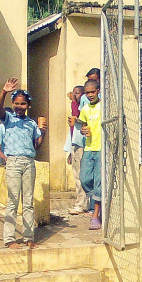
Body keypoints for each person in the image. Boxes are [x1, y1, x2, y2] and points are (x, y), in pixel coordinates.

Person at [0, 78, 44, 250]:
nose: (19, 106)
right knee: (13, 201)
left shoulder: (31, 124)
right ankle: (9, 239)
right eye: (16, 103)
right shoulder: (8, 119)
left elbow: (36, 145)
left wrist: (42, 132)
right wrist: (4, 92)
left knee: (28, 202)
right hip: (13, 162)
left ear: (28, 105)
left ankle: (29, 237)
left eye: (22, 104)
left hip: (28, 162)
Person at [77, 79, 104, 230]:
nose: (90, 95)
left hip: (101, 148)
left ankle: (96, 215)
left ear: (98, 91)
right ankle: (99, 201)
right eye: (87, 92)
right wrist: (82, 130)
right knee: (85, 179)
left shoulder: (104, 107)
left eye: (92, 91)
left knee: (99, 181)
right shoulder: (85, 109)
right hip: (89, 148)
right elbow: (82, 125)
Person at [63, 85, 89, 215]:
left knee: (83, 176)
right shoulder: (76, 112)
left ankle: (82, 204)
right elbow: (72, 132)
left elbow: (81, 119)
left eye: (77, 93)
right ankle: (82, 203)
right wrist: (70, 150)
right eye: (74, 93)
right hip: (76, 145)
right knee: (77, 175)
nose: (75, 96)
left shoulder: (84, 109)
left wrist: (73, 101)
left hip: (85, 146)